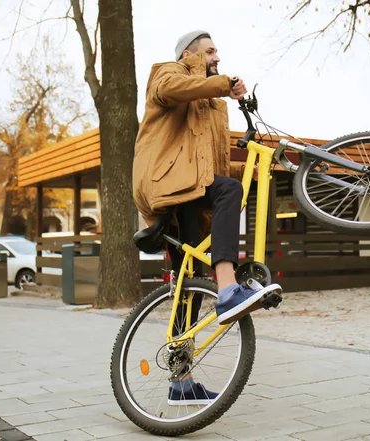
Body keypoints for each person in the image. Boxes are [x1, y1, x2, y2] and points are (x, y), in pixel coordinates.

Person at [133, 30, 281, 405]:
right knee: (230, 191)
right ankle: (229, 288)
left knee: (188, 289)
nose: (217, 56)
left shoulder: (212, 105)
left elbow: (211, 164)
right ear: (190, 53)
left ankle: (180, 380)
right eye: (210, 50)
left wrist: (256, 165)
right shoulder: (165, 72)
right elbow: (172, 89)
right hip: (169, 182)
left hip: (193, 189)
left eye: (218, 51)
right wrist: (221, 83)